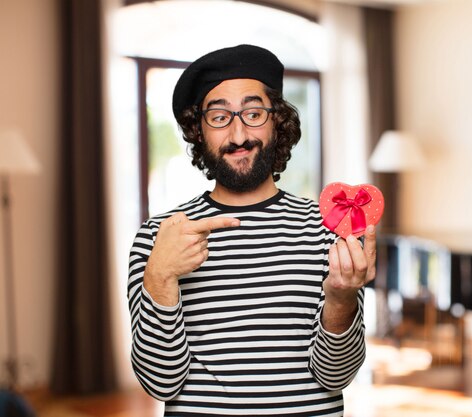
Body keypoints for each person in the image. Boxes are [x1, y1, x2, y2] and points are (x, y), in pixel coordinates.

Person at [127, 44, 377, 416]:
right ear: (199, 131)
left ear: (278, 121)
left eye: (254, 113)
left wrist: (341, 300)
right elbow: (159, 381)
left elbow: (335, 377)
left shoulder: (329, 230)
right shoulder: (159, 238)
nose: (239, 133)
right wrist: (160, 275)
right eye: (219, 117)